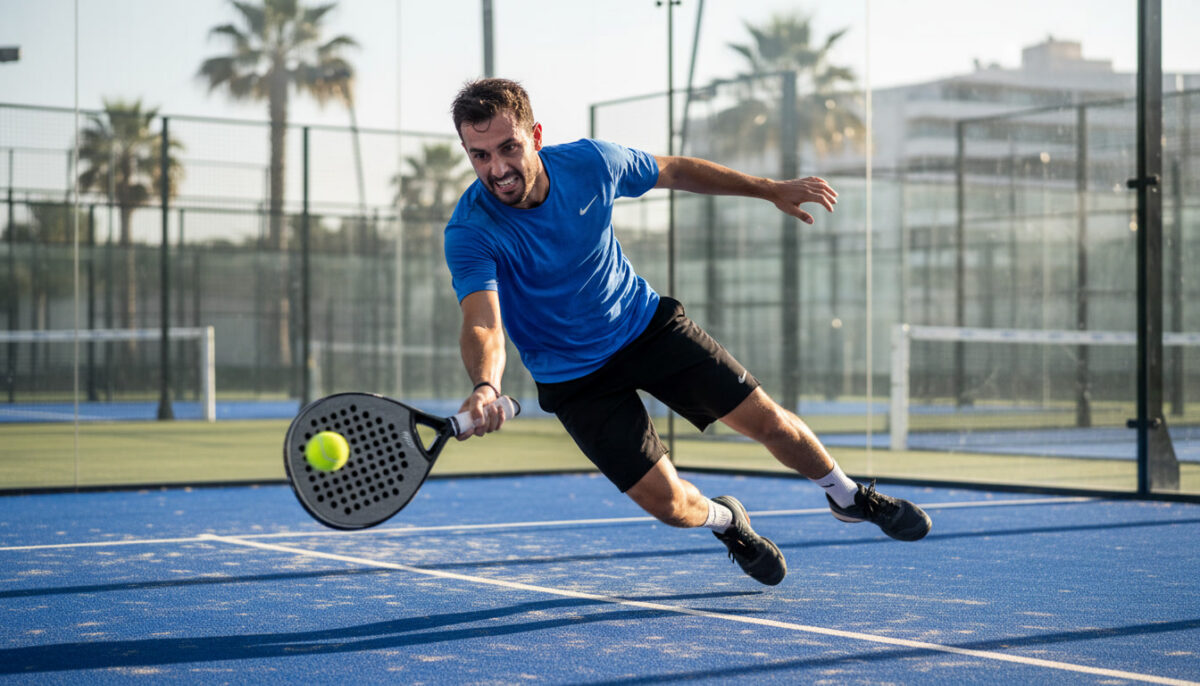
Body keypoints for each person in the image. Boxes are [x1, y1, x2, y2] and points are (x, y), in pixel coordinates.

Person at [443, 78, 930, 586]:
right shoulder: (470, 229)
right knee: (671, 505)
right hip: (574, 377)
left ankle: (848, 496)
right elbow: (482, 320)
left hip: (644, 326)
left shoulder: (591, 164)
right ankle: (728, 521)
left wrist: (770, 189)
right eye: (479, 155)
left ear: (535, 135)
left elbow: (673, 170)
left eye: (508, 148)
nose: (497, 169)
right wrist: (486, 386)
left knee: (770, 424)